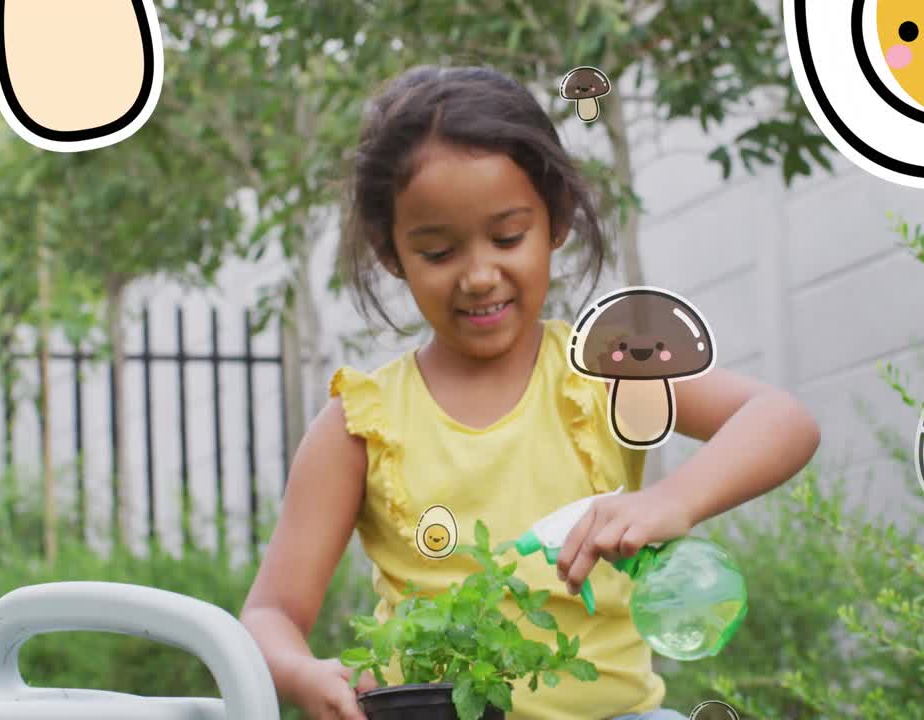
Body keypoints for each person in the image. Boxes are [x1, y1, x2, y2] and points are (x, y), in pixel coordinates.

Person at [241, 65, 821, 720]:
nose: (480, 275)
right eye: (438, 251)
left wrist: (672, 501)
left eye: (508, 237)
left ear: (557, 220)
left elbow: (781, 419)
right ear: (390, 252)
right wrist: (300, 670)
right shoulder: (361, 425)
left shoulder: (607, 371)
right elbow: (269, 612)